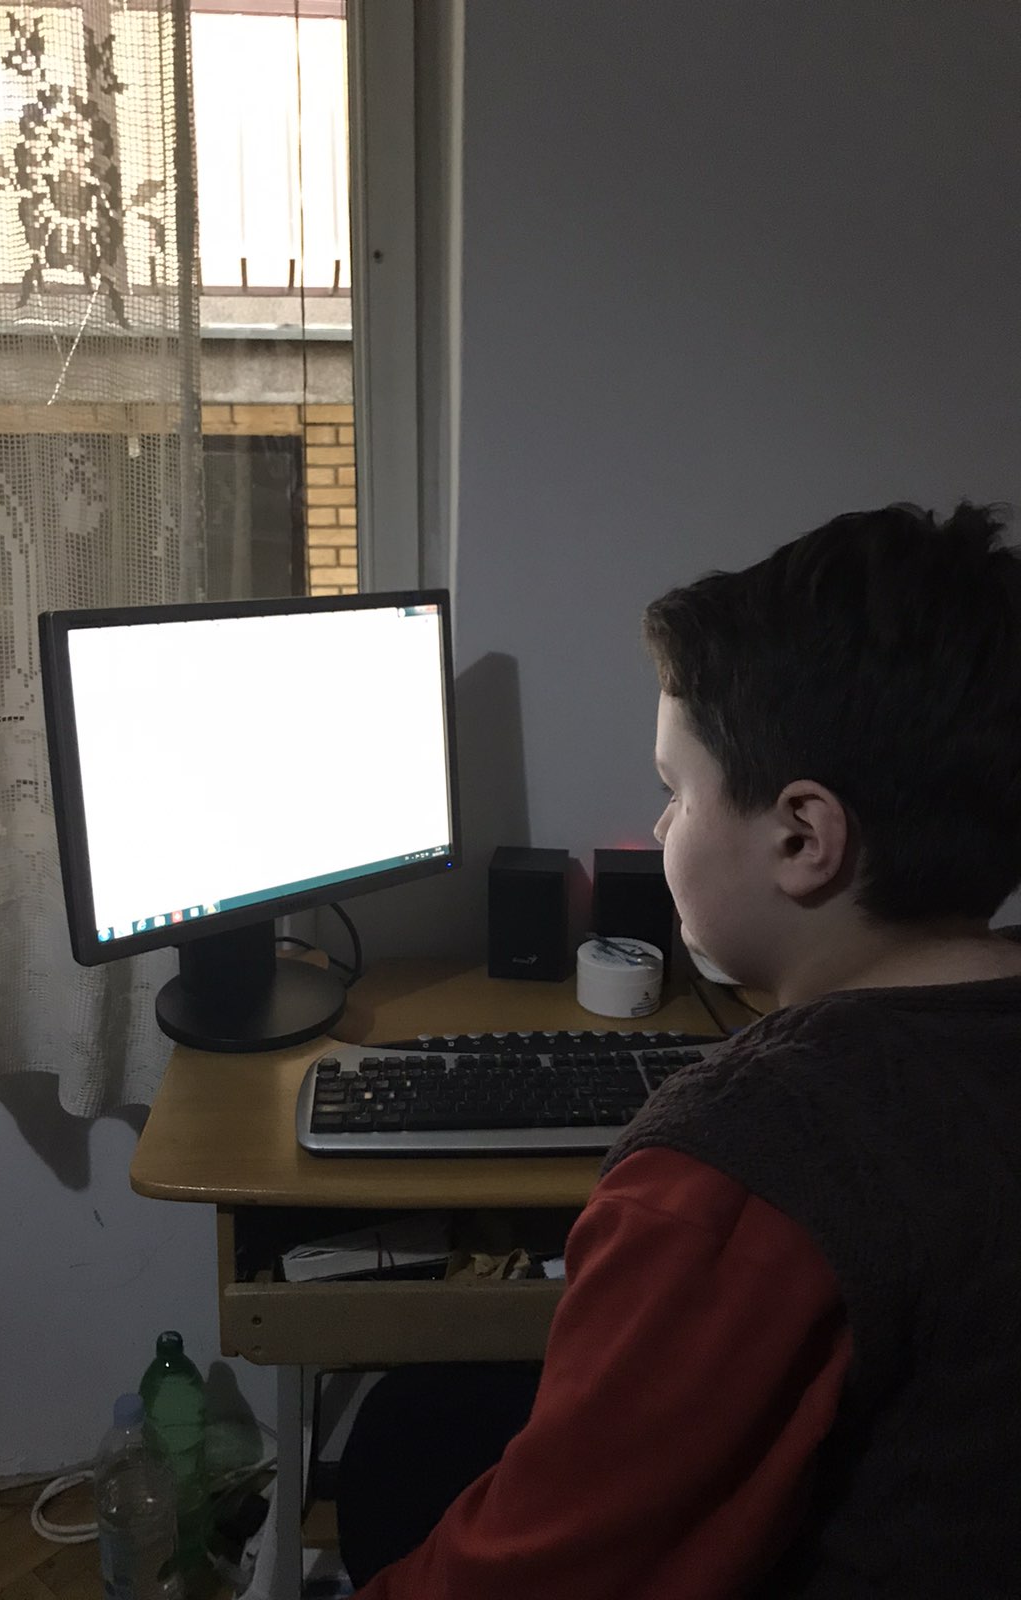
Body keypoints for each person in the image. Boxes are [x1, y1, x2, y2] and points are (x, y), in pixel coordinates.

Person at [335, 502, 1021, 1599]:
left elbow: (540, 1582)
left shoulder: (742, 1176)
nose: (657, 830)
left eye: (674, 791)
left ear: (802, 837)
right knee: (418, 1423)